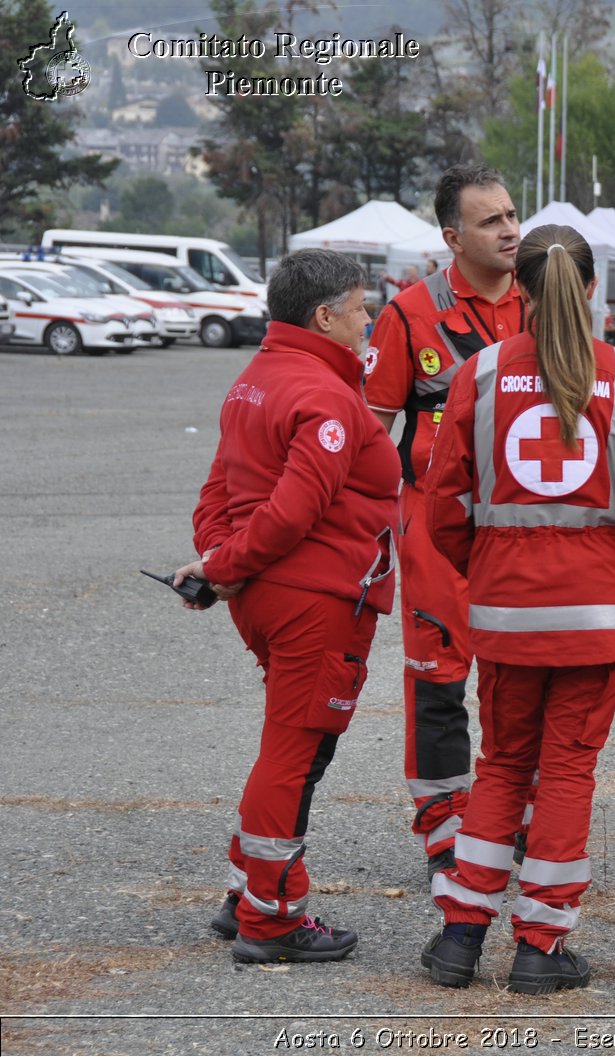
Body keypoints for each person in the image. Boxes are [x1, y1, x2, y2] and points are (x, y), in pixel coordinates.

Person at [418, 225, 615, 994]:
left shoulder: (475, 376)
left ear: (523, 290)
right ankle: (540, 946)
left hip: (507, 612)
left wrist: (492, 570)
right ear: (592, 291)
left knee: (503, 765)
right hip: (599, 615)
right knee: (569, 772)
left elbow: (443, 507)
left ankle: (460, 935)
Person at [180, 248, 399, 963]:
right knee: (296, 753)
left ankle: (247, 892)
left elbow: (218, 492)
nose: (370, 319)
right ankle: (271, 918)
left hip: (271, 595)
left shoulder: (256, 378)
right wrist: (225, 566)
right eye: (362, 307)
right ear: (325, 315)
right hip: (318, 599)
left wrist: (222, 566)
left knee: (288, 746)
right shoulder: (327, 394)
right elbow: (291, 512)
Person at [365, 165, 524, 879]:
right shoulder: (408, 313)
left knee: (520, 676)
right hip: (433, 524)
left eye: (513, 214)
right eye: (491, 220)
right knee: (438, 680)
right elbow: (372, 430)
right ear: (453, 237)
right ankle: (442, 828)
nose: (510, 229)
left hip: (524, 528)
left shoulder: (545, 304)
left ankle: (507, 815)